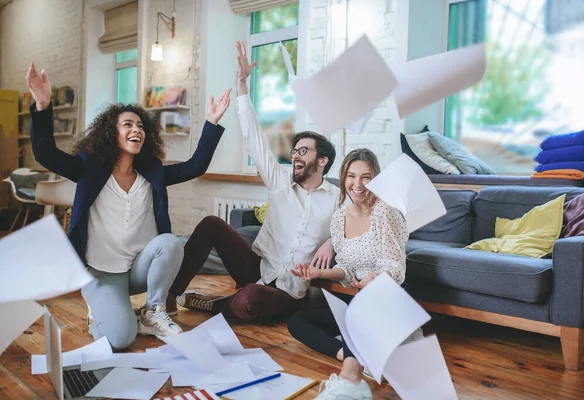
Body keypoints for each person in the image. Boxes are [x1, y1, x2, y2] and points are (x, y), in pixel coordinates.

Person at [26, 62, 231, 349]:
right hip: (101, 273)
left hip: (138, 270)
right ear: (112, 133)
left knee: (170, 243)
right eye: (128, 124)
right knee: (120, 339)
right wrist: (43, 103)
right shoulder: (89, 168)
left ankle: (152, 312)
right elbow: (46, 153)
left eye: (140, 125)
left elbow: (195, 166)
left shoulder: (153, 172)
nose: (137, 129)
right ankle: (103, 310)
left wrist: (212, 122)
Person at [167, 41, 340, 322]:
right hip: (259, 268)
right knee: (211, 224)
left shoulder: (336, 197)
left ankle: (219, 304)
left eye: (304, 151)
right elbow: (254, 140)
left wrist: (333, 240)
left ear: (323, 161)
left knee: (250, 300)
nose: (296, 155)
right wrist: (242, 86)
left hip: (290, 290)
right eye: (295, 150)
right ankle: (170, 295)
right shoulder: (280, 180)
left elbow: (358, 226)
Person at [288, 148, 421, 399]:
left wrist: (377, 279)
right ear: (342, 177)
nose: (357, 184)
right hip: (360, 299)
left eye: (366, 177)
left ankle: (351, 379)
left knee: (362, 307)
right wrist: (319, 272)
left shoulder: (386, 212)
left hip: (390, 297)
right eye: (351, 176)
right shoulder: (339, 219)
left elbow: (396, 267)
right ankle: (359, 356)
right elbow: (347, 271)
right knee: (298, 322)